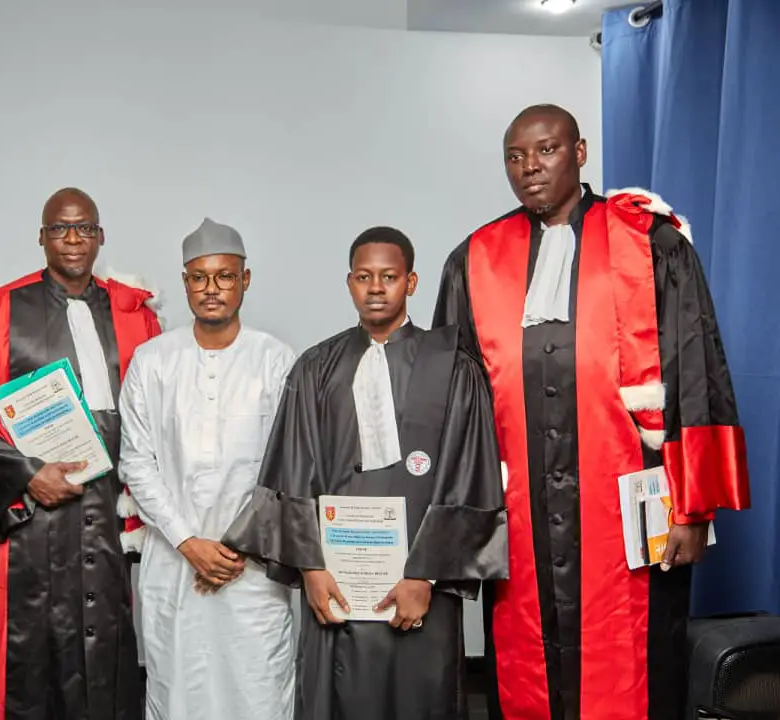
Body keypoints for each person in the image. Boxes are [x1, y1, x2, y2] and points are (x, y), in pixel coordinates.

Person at [432, 104, 752, 720]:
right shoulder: (474, 259)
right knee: (524, 668)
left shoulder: (650, 243)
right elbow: (458, 406)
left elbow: (695, 371)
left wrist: (692, 508)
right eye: (515, 157)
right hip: (519, 514)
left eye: (546, 150)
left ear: (579, 153)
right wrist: (466, 523)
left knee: (638, 666)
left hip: (631, 507)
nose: (530, 168)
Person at [222, 226, 508, 720]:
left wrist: (424, 574)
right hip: (336, 580)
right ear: (349, 283)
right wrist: (310, 567)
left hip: (421, 584)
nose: (376, 288)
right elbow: (292, 469)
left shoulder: (453, 369)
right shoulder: (316, 368)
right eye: (363, 276)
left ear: (411, 283)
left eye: (389, 276)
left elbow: (470, 473)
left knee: (421, 698)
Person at [0, 187, 162, 720]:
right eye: (60, 228)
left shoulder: (134, 316)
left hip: (112, 516)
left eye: (84, 228)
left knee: (111, 648)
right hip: (30, 521)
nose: (72, 239)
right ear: (41, 238)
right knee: (31, 654)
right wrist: (25, 474)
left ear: (100, 237)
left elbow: (158, 412)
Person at [117, 218, 297, 720]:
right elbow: (136, 459)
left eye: (223, 276)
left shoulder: (276, 361)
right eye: (199, 277)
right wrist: (188, 542)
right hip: (174, 563)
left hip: (254, 568)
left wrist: (236, 546)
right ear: (185, 282)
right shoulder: (152, 362)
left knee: (258, 689)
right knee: (177, 691)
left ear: (245, 280)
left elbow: (289, 466)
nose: (211, 289)